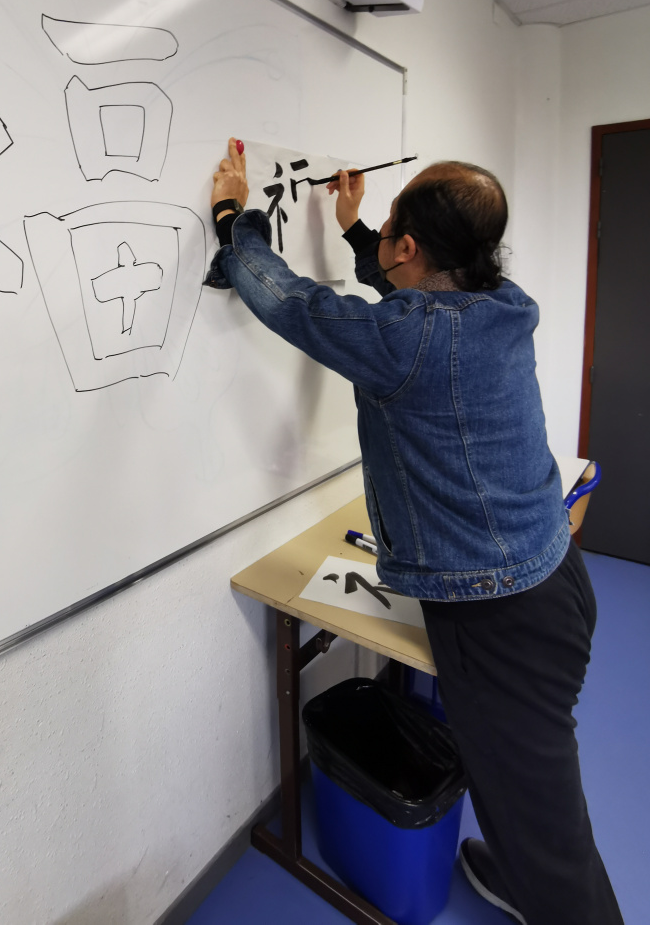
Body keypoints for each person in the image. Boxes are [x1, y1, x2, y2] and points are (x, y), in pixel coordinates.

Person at [206, 138, 622, 925]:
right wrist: (357, 229)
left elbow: (291, 302)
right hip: (556, 578)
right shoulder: (502, 303)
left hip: (500, 618)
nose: (385, 241)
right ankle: (519, 870)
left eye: (391, 227)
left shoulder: (406, 339)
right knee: (531, 795)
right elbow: (413, 301)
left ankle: (550, 892)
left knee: (549, 832)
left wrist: (236, 219)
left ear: (410, 249)